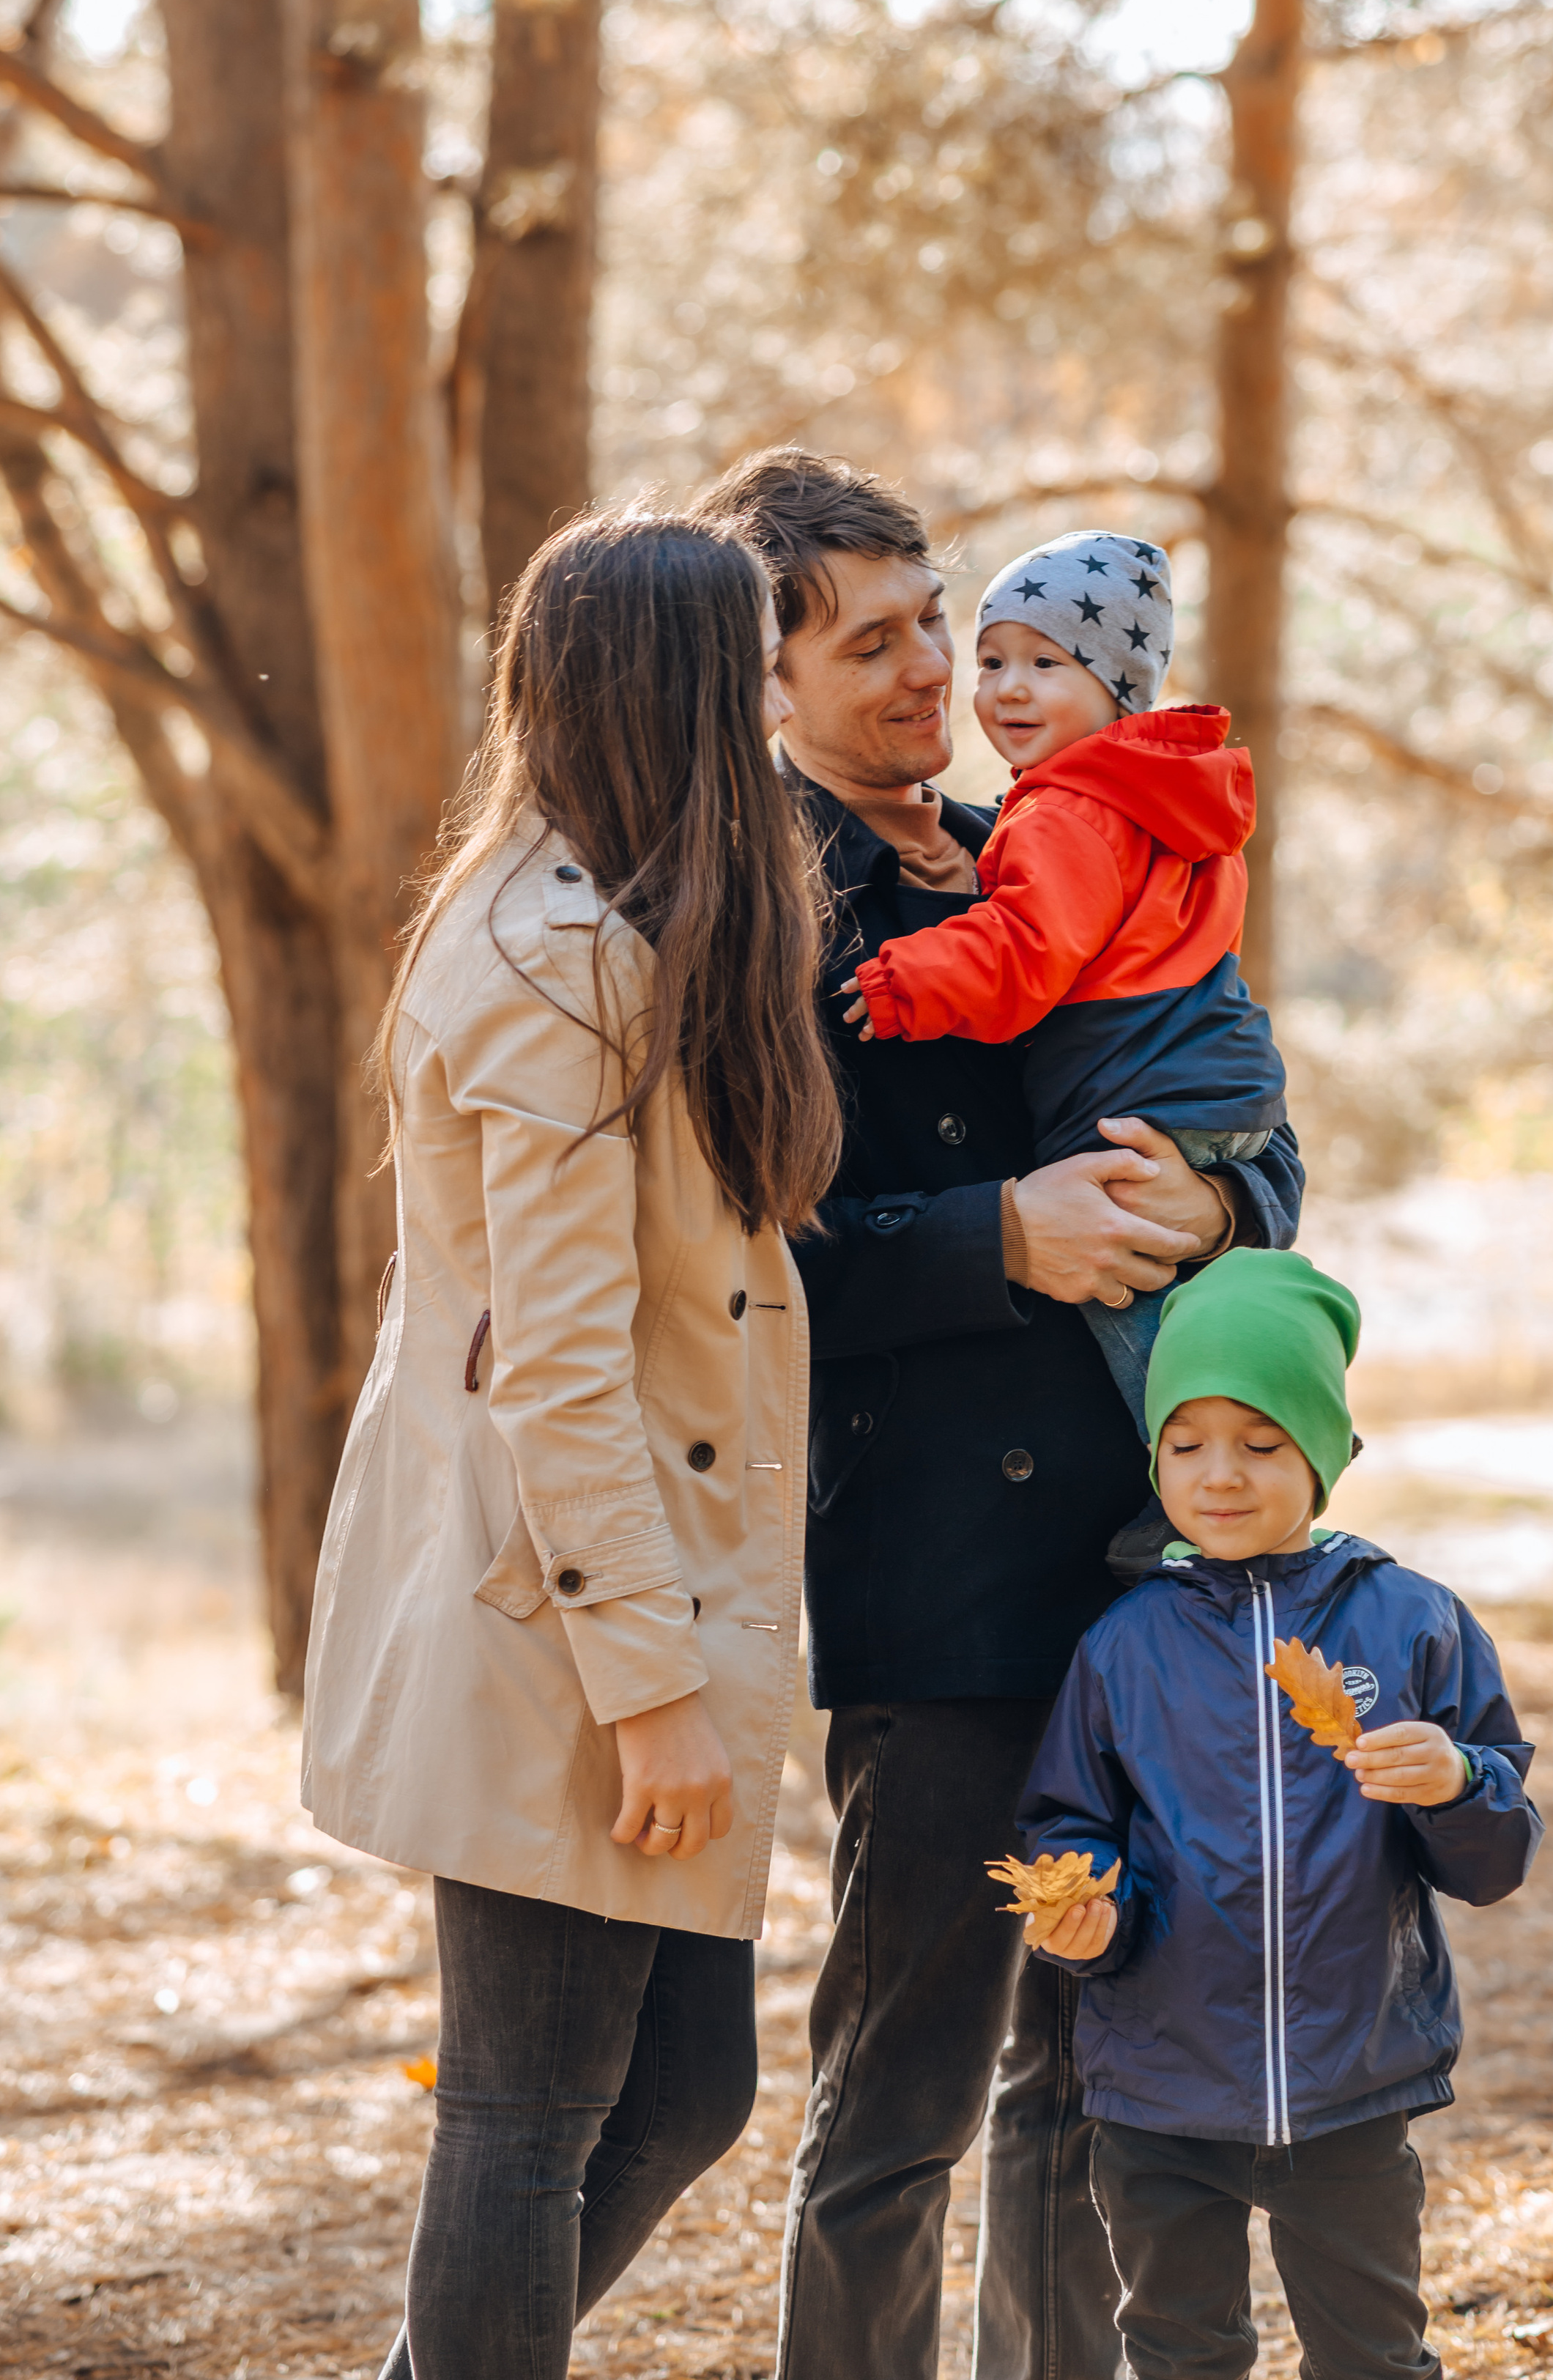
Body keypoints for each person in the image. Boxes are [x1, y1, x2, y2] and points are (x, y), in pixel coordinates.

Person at [695, 448, 1305, 2380]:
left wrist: (1223, 1203)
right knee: (901, 2102)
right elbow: (736, 1271)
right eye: (869, 639)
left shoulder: (1057, 833)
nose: (929, 667)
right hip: (930, 1580)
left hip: (1143, 1569)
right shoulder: (742, 920)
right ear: (763, 676)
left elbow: (1235, 1105)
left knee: (1090, 2079)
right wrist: (1000, 1239)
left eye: (938, 619)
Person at [300, 511, 843, 2379]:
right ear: (683, 694)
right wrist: (649, 1683)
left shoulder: (591, 915)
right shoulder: (554, 962)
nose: (778, 704)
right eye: (756, 669)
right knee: (524, 2116)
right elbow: (556, 1355)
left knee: (684, 2083)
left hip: (582, 1588)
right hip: (557, 1610)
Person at [1020, 1249, 1542, 2380]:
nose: (1220, 1475)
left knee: (1372, 2355)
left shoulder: (1411, 1624)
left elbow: (1496, 1856)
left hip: (1350, 2083)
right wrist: (1087, 1911)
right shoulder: (1123, 1646)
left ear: (1326, 1453)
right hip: (1162, 2086)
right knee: (1177, 2347)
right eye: (1185, 1442)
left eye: (1261, 1442)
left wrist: (1458, 1780)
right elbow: (1069, 1821)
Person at [842, 527, 1288, 1433]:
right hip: (1215, 1085)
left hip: (1133, 1091)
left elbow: (1021, 955)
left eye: (1046, 663)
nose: (1004, 686)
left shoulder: (1065, 815)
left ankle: (1190, 1484)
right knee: (1211, 1305)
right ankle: (1278, 1428)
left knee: (1135, 1320)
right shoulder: (1161, 801)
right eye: (994, 657)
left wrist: (903, 982)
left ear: (1116, 684)